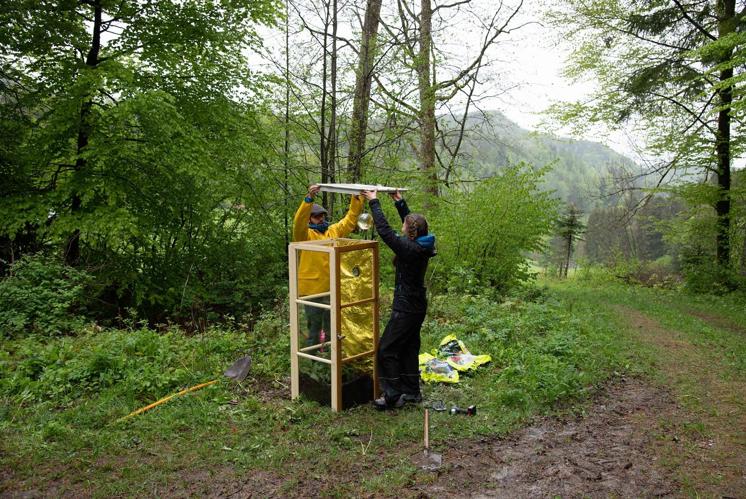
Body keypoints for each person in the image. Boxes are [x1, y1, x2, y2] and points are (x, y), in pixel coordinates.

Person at [361, 189, 436, 410]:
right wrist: (400, 203)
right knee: (409, 347)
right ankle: (411, 392)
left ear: (409, 231)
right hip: (416, 306)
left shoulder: (410, 248)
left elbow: (385, 232)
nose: (402, 226)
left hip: (406, 307)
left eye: (405, 224)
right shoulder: (422, 244)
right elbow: (412, 225)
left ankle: (392, 394)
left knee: (386, 349)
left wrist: (374, 202)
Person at [293, 184, 363, 346]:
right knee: (314, 330)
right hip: (311, 291)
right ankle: (312, 366)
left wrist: (356, 198)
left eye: (322, 215)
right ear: (310, 218)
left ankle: (330, 366)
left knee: (332, 329)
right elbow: (298, 222)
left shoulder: (332, 231)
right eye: (316, 216)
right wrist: (309, 199)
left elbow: (350, 220)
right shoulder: (304, 234)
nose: (321, 218)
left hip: (331, 289)